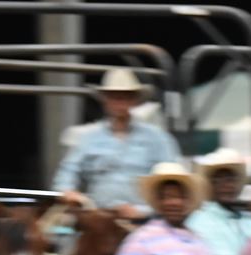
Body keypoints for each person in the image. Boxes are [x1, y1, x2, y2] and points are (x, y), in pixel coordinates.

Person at [51, 69, 181, 219]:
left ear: (135, 100)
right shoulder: (88, 138)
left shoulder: (157, 138)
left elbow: (173, 178)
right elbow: (68, 170)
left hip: (144, 219)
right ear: (105, 101)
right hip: (98, 216)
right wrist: (68, 191)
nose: (120, 102)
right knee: (53, 234)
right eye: (114, 97)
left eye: (125, 97)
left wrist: (142, 211)